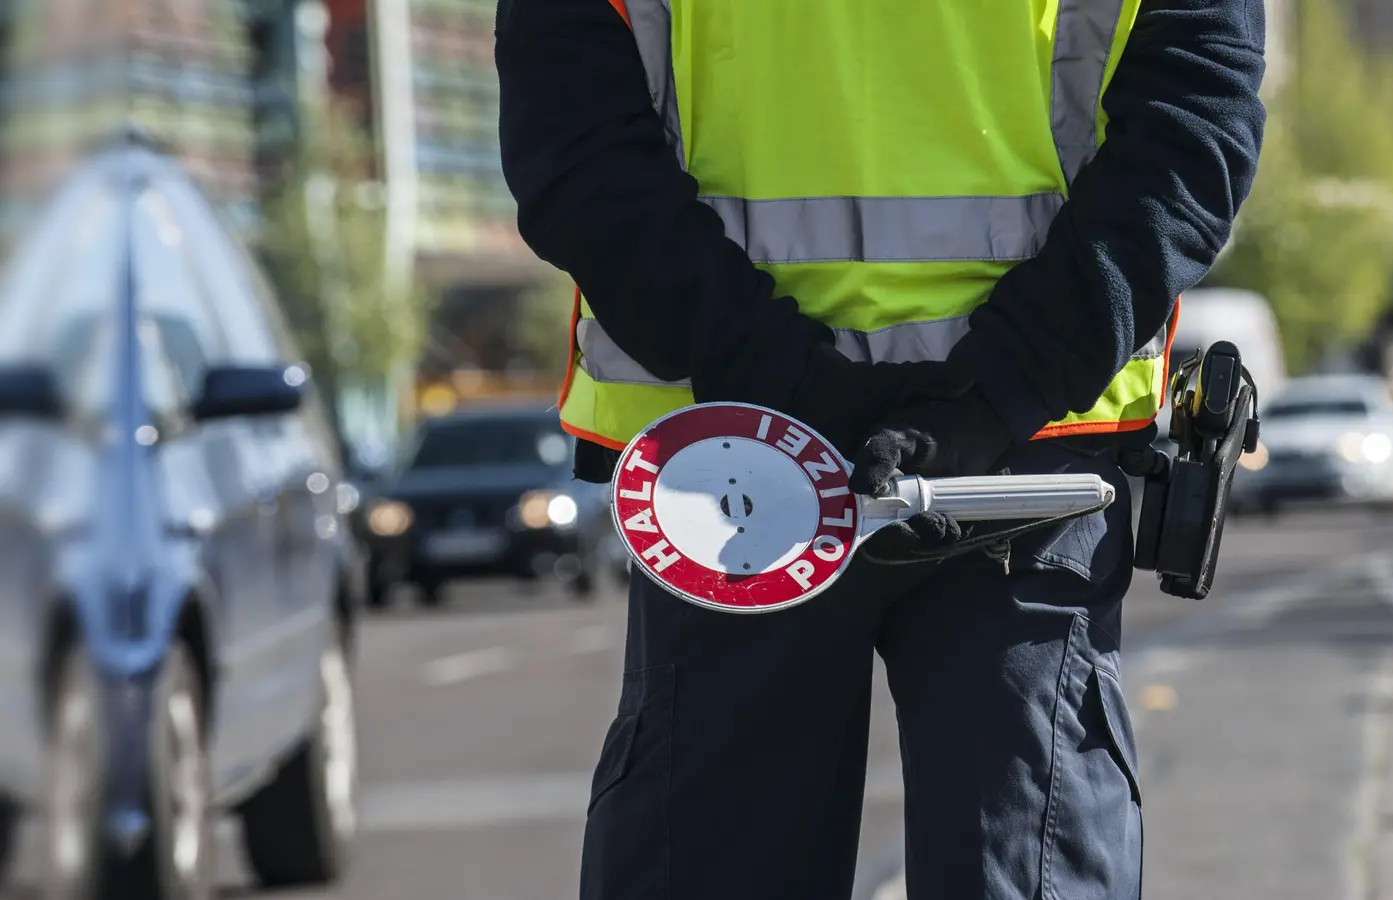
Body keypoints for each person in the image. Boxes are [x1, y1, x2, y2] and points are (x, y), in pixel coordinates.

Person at [496, 0, 1266, 896]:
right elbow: (1194, 112)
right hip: (1014, 466)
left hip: (738, 468)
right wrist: (999, 387)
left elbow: (575, 135)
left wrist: (781, 375)